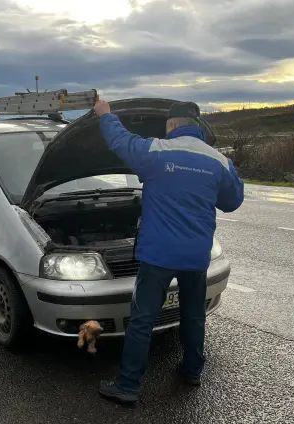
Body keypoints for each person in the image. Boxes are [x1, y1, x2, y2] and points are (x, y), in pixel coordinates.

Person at [92, 100, 244, 404]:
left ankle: (128, 386)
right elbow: (232, 201)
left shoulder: (155, 151)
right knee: (193, 315)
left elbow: (120, 140)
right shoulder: (218, 160)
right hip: (196, 256)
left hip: (158, 255)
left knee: (142, 319)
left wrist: (106, 115)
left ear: (172, 124)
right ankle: (191, 371)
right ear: (197, 125)